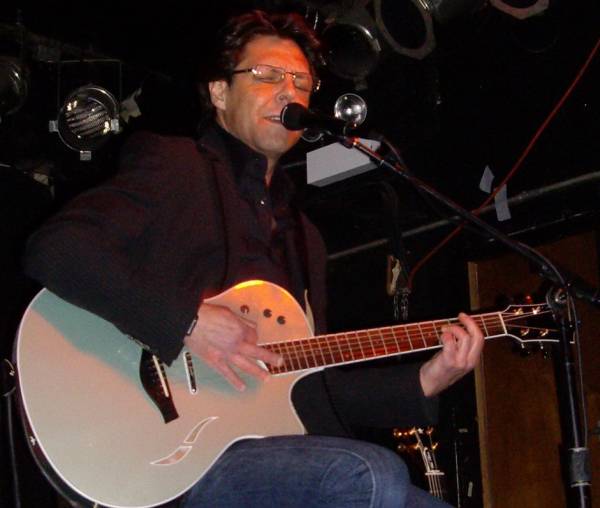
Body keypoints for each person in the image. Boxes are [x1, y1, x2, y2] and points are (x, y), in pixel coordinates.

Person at [23, 10, 484, 508]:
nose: (288, 91)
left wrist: (426, 380)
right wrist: (187, 322)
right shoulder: (176, 168)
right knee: (372, 473)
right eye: (265, 76)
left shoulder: (304, 239)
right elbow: (56, 250)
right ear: (220, 93)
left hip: (272, 453)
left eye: (301, 81)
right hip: (177, 455)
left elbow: (315, 389)